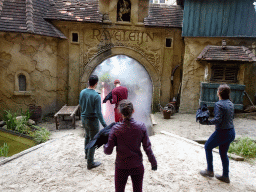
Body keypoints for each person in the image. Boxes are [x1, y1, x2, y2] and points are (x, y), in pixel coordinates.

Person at [104, 100, 157, 192]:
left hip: (121, 166)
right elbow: (147, 147)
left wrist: (105, 144)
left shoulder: (115, 129)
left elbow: (108, 151)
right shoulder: (141, 126)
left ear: (120, 113)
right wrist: (153, 162)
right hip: (137, 165)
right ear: (133, 111)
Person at [199, 84, 236, 183]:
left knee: (207, 146)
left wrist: (206, 122)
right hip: (231, 132)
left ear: (219, 93)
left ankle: (210, 171)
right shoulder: (231, 103)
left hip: (222, 132)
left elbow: (218, 120)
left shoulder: (219, 104)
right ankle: (225, 176)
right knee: (223, 153)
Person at [79, 75, 107, 170]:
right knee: (93, 140)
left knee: (87, 136)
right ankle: (90, 162)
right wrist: (104, 125)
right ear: (96, 83)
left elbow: (81, 105)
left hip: (84, 119)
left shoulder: (82, 92)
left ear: (88, 82)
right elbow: (99, 113)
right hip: (92, 120)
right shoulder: (96, 96)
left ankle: (87, 155)